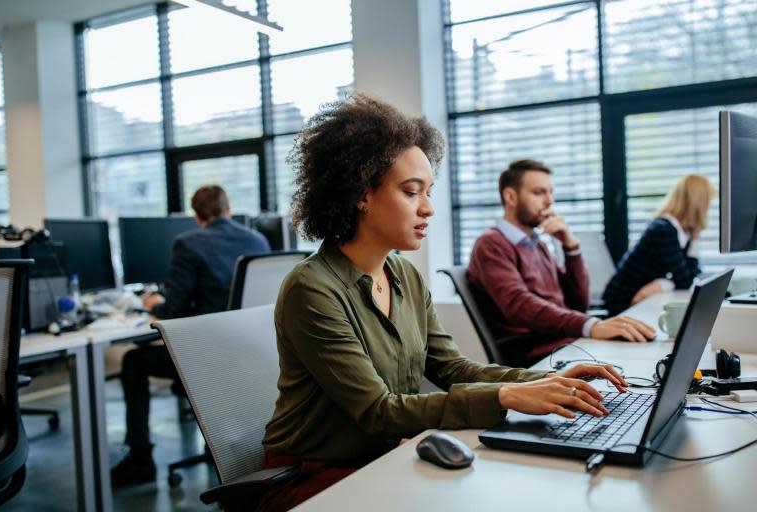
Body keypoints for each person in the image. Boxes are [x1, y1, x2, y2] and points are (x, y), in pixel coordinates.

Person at [258, 95, 628, 511]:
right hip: (312, 476)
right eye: (411, 192)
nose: (428, 208)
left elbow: (451, 368)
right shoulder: (312, 288)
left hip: (380, 458)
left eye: (428, 192)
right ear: (362, 194)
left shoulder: (406, 277)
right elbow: (379, 411)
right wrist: (506, 396)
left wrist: (537, 382)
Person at [110, 185, 270, 487]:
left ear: (197, 217)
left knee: (134, 360)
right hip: (252, 354)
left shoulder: (188, 243)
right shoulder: (257, 239)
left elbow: (172, 309)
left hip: (208, 359)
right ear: (229, 209)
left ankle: (140, 461)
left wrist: (154, 302)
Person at [466, 160, 656, 366]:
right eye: (539, 192)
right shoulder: (491, 244)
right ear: (511, 197)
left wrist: (571, 247)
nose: (549, 201)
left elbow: (578, 303)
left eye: (550, 192)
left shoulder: (537, 244)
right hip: (539, 353)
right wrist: (590, 325)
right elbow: (519, 305)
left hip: (564, 342)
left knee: (643, 349)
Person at [603, 174, 716, 316]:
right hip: (623, 300)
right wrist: (664, 283)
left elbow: (692, 274)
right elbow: (684, 280)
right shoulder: (663, 229)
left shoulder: (681, 231)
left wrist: (694, 239)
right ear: (698, 204)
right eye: (708, 204)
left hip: (642, 297)